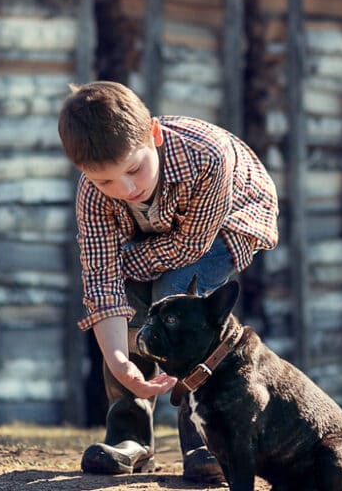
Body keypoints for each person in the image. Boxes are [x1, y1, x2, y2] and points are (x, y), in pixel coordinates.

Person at [57, 81, 279, 483]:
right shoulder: (92, 196)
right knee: (128, 310)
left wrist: (122, 262)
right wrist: (119, 359)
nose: (125, 189)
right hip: (150, 236)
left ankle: (203, 441)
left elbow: (188, 248)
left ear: (153, 137)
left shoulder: (206, 158)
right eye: (107, 182)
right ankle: (130, 437)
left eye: (134, 169)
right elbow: (103, 287)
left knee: (175, 302)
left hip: (225, 227)